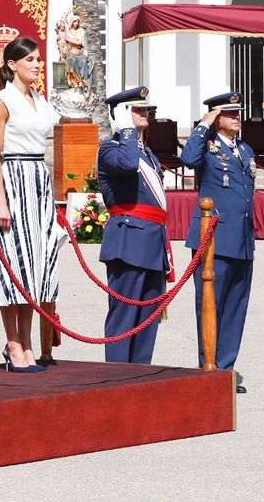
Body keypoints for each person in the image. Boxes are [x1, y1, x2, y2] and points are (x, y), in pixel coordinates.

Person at [0, 37, 65, 373]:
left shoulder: (40, 100)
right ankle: (13, 343)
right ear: (12, 64)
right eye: (29, 59)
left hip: (37, 179)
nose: (36, 64)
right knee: (11, 266)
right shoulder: (2, 100)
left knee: (35, 267)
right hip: (13, 179)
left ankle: (28, 344)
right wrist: (1, 201)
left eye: (38, 59)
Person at [180, 92, 255, 394]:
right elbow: (187, 160)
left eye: (239, 113)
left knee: (236, 307)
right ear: (215, 117)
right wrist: (202, 125)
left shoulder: (245, 149)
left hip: (242, 239)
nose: (237, 117)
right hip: (214, 239)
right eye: (230, 113)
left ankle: (226, 368)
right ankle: (208, 365)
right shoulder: (206, 148)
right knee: (210, 305)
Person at [97, 87, 171, 365]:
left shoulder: (146, 152)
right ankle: (117, 378)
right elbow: (127, 165)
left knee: (148, 318)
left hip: (152, 240)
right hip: (128, 240)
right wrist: (125, 130)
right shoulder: (111, 149)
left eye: (146, 109)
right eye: (137, 109)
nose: (145, 113)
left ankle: (139, 377)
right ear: (122, 114)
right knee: (125, 316)